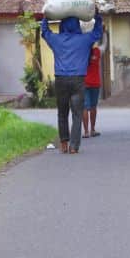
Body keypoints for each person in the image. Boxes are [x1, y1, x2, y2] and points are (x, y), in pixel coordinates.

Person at [40, 9, 103, 154]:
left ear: (62, 25)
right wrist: (97, 16)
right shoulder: (84, 39)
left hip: (60, 80)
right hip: (78, 80)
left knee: (62, 113)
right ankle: (74, 146)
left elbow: (45, 32)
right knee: (77, 114)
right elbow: (97, 32)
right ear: (77, 26)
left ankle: (63, 143)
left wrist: (45, 18)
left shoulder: (56, 39)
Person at [82, 30, 106, 138]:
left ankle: (86, 132)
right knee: (93, 107)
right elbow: (105, 44)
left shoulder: (81, 53)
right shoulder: (98, 51)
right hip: (95, 83)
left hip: (84, 83)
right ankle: (92, 130)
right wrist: (104, 33)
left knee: (85, 107)